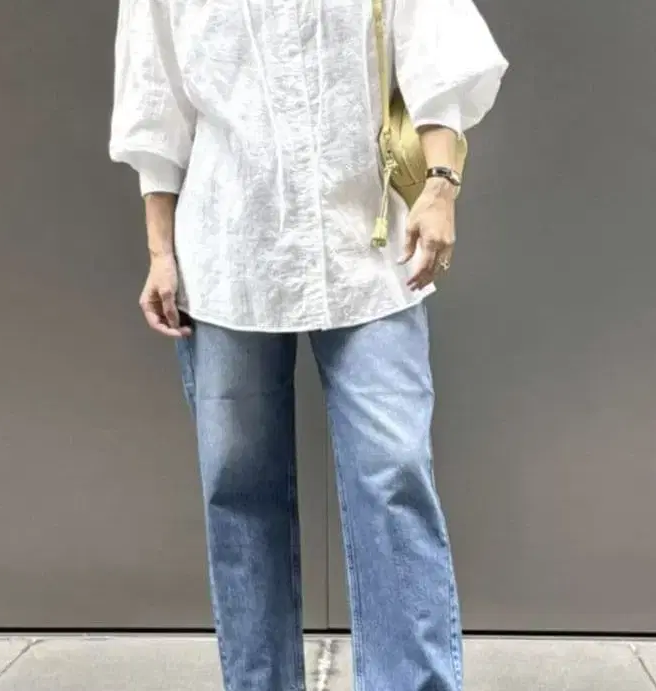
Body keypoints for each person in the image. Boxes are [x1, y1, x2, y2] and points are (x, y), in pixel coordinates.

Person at [109, 0, 507, 689]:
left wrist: (441, 186)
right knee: (238, 487)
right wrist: (159, 252)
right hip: (228, 248)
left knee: (393, 473)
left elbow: (437, 44)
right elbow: (155, 97)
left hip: (367, 248)